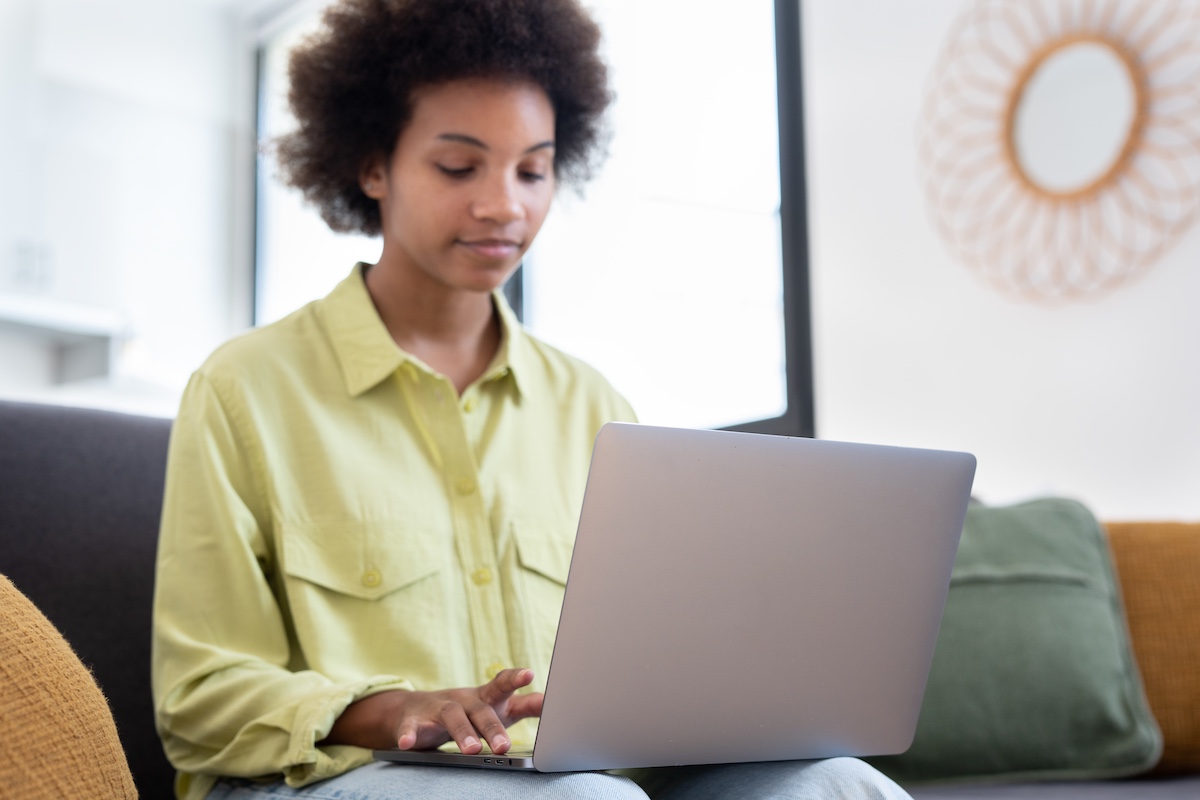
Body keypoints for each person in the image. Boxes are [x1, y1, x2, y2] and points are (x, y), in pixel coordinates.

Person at [151, 1, 914, 798]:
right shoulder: (245, 391)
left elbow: (656, 663)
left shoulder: (595, 408)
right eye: (458, 168)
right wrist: (392, 709)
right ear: (372, 164)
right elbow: (197, 698)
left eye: (532, 169)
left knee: (831, 783)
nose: (504, 207)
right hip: (335, 781)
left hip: (556, 777)